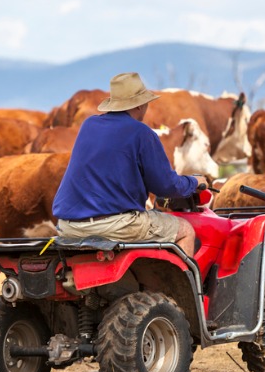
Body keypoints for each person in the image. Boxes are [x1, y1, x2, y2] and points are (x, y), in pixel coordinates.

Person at [52, 72, 208, 256]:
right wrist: (194, 182)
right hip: (114, 226)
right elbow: (166, 186)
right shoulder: (142, 133)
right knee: (185, 231)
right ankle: (185, 284)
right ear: (141, 105)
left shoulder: (89, 125)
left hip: (69, 226)